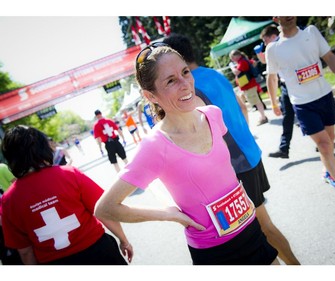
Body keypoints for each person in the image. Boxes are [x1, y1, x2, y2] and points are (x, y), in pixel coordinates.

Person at [95, 43, 279, 265]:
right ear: (150, 96)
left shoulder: (213, 115)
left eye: (185, 72)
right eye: (171, 80)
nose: (185, 84)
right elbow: (105, 208)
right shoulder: (155, 145)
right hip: (216, 251)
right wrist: (168, 214)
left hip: (251, 227)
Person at [163, 34, 300, 265]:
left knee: (263, 228)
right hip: (250, 154)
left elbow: (198, 136)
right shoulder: (214, 74)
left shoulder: (189, 89)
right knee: (260, 228)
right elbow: (241, 107)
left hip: (236, 164)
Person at [266, 16, 335, 210]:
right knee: (324, 145)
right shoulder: (274, 49)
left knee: (331, 138)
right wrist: (273, 102)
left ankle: (328, 171)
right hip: (303, 104)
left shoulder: (311, 32)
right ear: (275, 17)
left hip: (324, 96)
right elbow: (271, 78)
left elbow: (329, 56)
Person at [0, 125, 133, 265]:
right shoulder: (69, 174)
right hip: (97, 252)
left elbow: (25, 251)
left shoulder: (8, 201)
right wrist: (124, 240)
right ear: (42, 147)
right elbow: (103, 210)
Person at [257, 24, 295, 159]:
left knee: (306, 114)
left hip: (298, 84)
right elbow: (269, 69)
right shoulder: (272, 50)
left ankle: (323, 139)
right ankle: (284, 148)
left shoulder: (287, 43)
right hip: (285, 87)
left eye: (265, 40)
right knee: (288, 118)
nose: (264, 44)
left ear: (273, 37)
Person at [229, 49, 268, 126]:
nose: (232, 60)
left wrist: (232, 67)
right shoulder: (243, 61)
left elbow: (237, 72)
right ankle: (262, 116)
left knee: (256, 101)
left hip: (249, 85)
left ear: (238, 55)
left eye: (233, 57)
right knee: (255, 101)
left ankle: (263, 117)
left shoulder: (242, 62)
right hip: (248, 86)